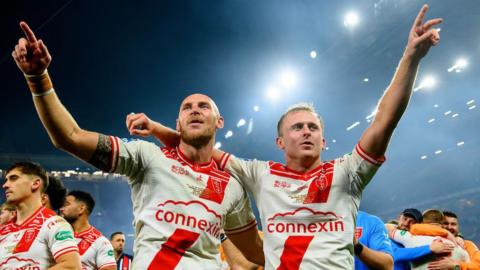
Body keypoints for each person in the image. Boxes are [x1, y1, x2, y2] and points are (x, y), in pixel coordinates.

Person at [127, 5, 442, 269]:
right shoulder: (260, 175)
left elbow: (385, 120)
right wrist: (157, 129)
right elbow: (196, 147)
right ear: (279, 142)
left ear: (324, 141)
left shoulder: (346, 173)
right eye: (297, 127)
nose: (306, 131)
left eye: (313, 127)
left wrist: (411, 57)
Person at [12, 22, 263, 269]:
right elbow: (70, 137)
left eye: (203, 106)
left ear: (219, 121)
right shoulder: (148, 157)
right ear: (178, 123)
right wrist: (37, 78)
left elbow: (254, 252)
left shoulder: (231, 186)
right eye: (187, 107)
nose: (194, 111)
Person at [1, 161, 81, 269]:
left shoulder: (54, 223)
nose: (5, 185)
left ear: (35, 183)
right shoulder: (3, 230)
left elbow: (71, 266)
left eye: (13, 178)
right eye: (6, 180)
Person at [389, 209, 468, 270]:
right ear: (399, 218)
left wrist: (456, 267)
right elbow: (394, 254)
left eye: (411, 222)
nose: (406, 224)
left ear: (420, 224)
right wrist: (429, 248)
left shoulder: (411, 238)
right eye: (405, 219)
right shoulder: (390, 237)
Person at [60, 190, 116, 270]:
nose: (61, 209)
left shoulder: (100, 242)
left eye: (66, 204)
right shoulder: (57, 235)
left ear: (81, 208)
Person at [409, 211, 480, 269]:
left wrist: (456, 266)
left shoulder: (466, 245)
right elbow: (415, 228)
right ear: (439, 224)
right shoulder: (424, 239)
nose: (449, 227)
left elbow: (478, 266)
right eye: (445, 223)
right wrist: (447, 233)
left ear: (458, 227)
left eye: (453, 224)